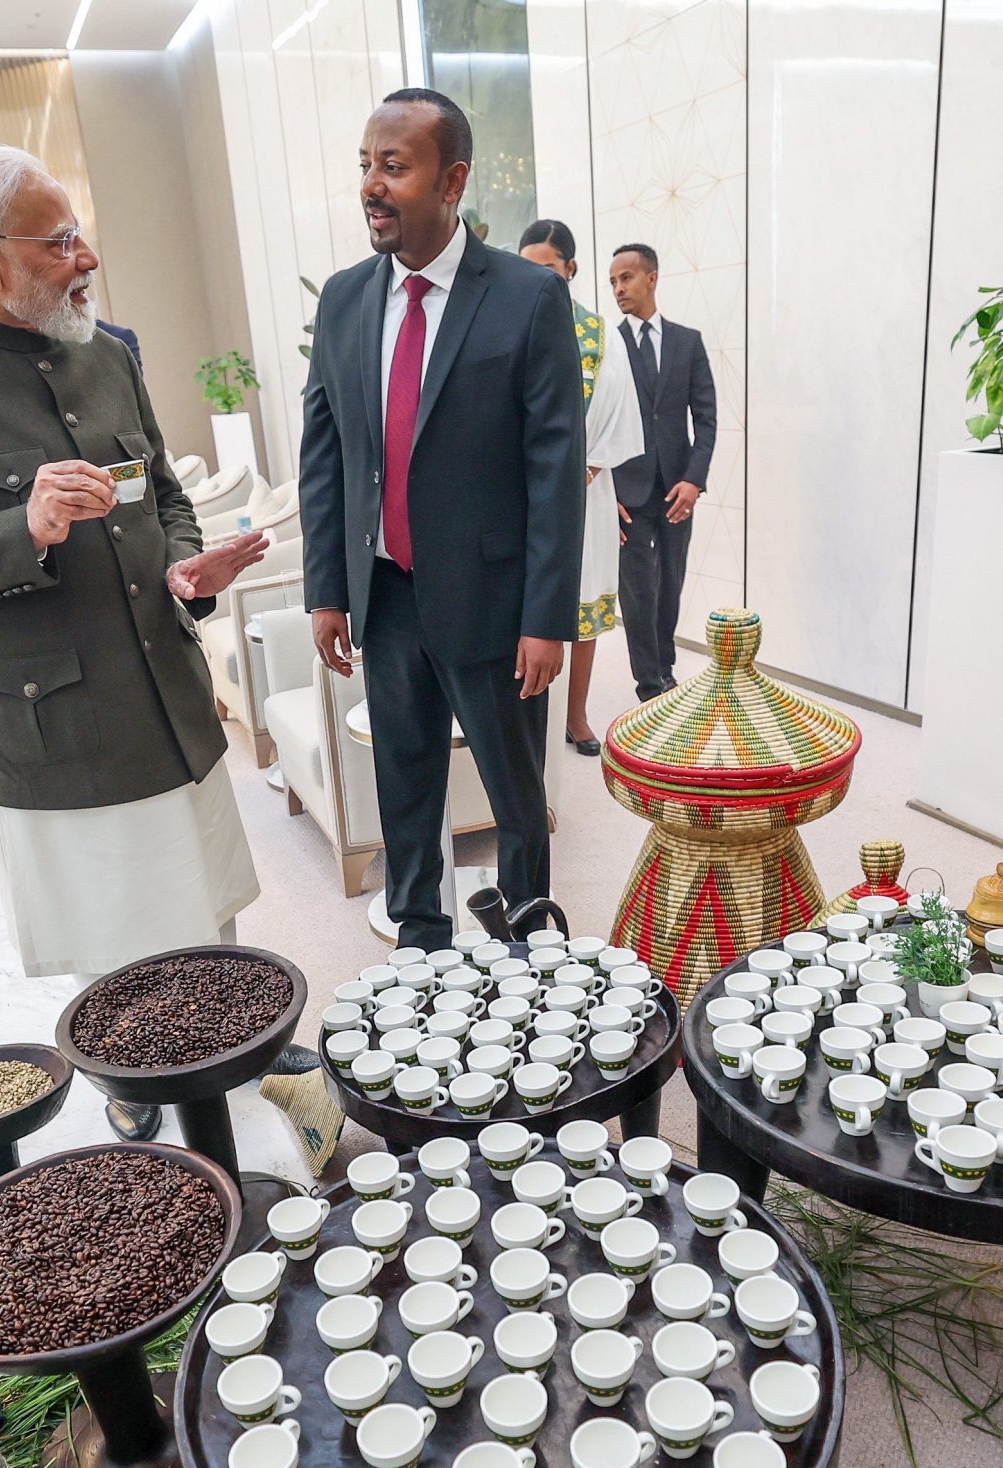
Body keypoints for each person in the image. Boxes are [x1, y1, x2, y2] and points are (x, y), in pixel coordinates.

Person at [0, 145, 271, 1139]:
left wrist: (183, 566)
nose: (85, 256)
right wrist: (22, 528)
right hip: (57, 730)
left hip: (170, 701)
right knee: (121, 947)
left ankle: (229, 1070)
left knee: (210, 921)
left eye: (78, 234)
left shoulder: (105, 351)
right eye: (58, 243)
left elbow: (162, 491)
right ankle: (140, 1096)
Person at [298, 89, 583, 950]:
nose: (372, 187)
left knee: (515, 800)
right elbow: (325, 455)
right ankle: (422, 945)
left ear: (451, 179)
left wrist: (546, 617)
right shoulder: (347, 299)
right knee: (406, 783)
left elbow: (555, 468)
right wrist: (326, 590)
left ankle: (526, 950)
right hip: (385, 596)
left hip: (495, 605)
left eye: (394, 167)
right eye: (364, 166)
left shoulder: (528, 297)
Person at [518, 218, 645, 756]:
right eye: (526, 269)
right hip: (520, 490)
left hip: (584, 490)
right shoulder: (509, 326)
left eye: (547, 268)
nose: (537, 279)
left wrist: (586, 467)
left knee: (582, 605)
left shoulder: (599, 335)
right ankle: (530, 720)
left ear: (569, 269)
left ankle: (575, 715)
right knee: (528, 608)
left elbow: (618, 406)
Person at [607, 242, 716, 702]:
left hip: (676, 488)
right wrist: (603, 491)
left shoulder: (687, 342)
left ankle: (665, 666)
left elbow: (706, 418)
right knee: (636, 593)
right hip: (626, 490)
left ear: (651, 277)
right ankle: (649, 684)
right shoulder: (606, 346)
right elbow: (595, 422)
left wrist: (693, 480)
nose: (618, 288)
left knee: (671, 581)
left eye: (626, 278)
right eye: (612, 281)